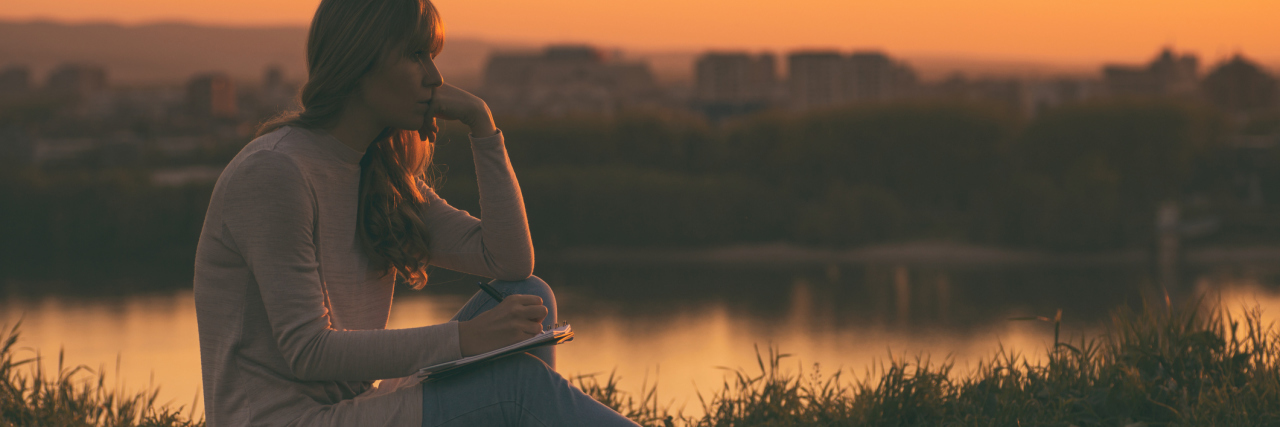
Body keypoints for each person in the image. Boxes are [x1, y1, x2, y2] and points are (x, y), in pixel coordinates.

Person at [192, 0, 640, 425]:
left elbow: (509, 261)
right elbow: (308, 352)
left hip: (353, 409)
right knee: (516, 386)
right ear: (359, 60)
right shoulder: (275, 171)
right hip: (286, 421)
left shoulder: (377, 171)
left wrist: (482, 126)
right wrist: (467, 339)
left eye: (433, 56)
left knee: (527, 294)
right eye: (415, 55)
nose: (434, 77)